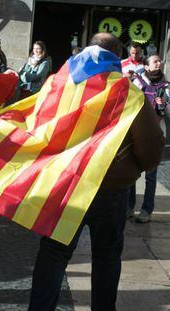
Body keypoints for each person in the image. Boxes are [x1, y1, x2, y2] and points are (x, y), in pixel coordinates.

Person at [28, 33, 164, 311]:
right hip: (111, 190)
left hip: (65, 185)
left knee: (54, 253)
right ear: (117, 56)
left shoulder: (58, 84)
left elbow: (36, 127)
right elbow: (151, 152)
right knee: (106, 256)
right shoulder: (129, 93)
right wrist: (131, 168)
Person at [127, 54, 169, 223]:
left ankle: (146, 210)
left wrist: (163, 105)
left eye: (160, 61)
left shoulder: (166, 86)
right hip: (136, 133)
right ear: (146, 66)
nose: (158, 63)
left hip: (155, 136)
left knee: (151, 176)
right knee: (132, 172)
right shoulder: (137, 83)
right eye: (155, 61)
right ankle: (129, 208)